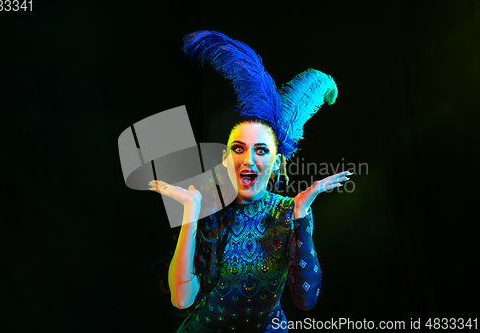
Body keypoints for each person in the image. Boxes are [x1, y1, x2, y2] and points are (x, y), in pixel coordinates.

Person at [149, 31, 351, 333]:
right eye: (239, 149)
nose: (249, 159)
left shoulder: (288, 211)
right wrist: (191, 214)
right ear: (226, 158)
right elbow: (182, 299)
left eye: (261, 150)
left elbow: (306, 300)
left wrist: (301, 218)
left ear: (277, 163)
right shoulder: (209, 204)